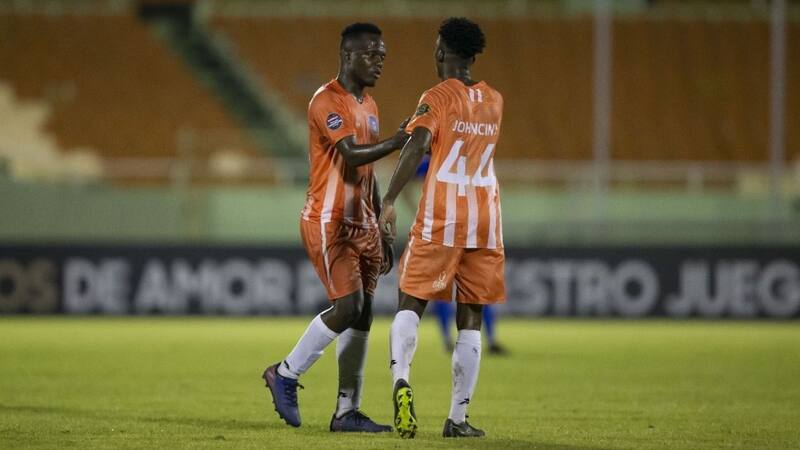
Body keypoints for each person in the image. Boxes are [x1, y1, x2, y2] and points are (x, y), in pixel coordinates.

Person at [261, 22, 409, 432]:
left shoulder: (370, 105)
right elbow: (352, 154)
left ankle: (347, 411)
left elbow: (368, 172)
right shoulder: (326, 100)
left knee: (362, 316)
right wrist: (398, 141)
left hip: (362, 224)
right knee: (348, 307)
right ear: (347, 55)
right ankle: (285, 373)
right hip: (330, 222)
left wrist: (379, 222)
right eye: (370, 55)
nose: (379, 62)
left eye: (382, 55)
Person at [379, 17, 505, 439]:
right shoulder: (495, 101)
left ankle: (401, 380)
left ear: (443, 52)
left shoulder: (436, 96)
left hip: (442, 217)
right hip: (486, 221)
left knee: (410, 302)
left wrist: (389, 199)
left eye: (436, 47)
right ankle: (458, 418)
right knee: (471, 317)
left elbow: (417, 144)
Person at [404, 156, 507, 355]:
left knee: (474, 289)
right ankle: (452, 339)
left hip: (466, 232)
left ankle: (487, 339)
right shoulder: (436, 159)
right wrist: (420, 214)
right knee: (448, 288)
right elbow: (407, 184)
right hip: (446, 233)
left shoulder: (452, 157)